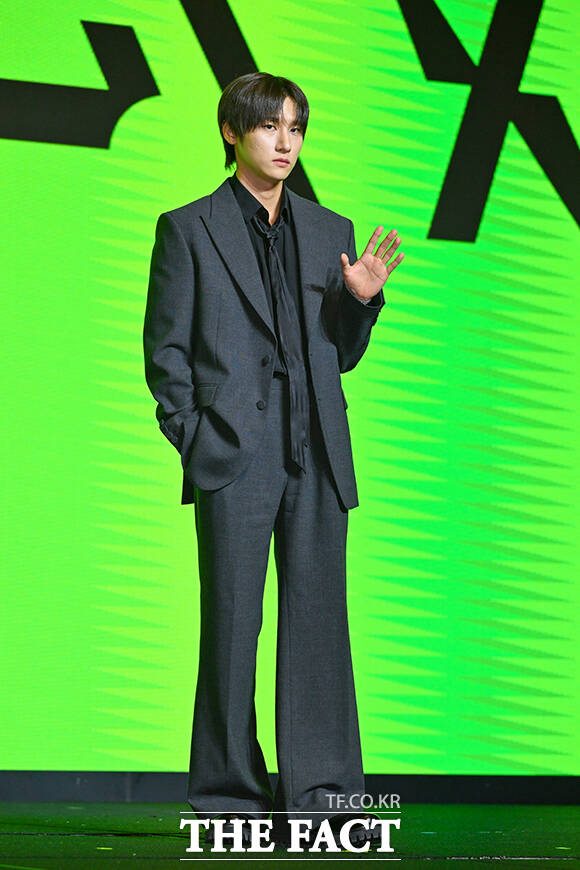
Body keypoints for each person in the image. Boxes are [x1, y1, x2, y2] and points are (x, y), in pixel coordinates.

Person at [143, 72, 404, 848]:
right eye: (269, 126)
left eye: (296, 128)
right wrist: (198, 437)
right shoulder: (188, 228)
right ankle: (229, 792)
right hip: (234, 455)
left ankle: (322, 791)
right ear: (233, 132)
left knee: (320, 625)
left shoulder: (329, 230)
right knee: (232, 626)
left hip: (317, 450)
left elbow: (340, 354)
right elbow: (165, 353)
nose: (285, 142)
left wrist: (360, 300)